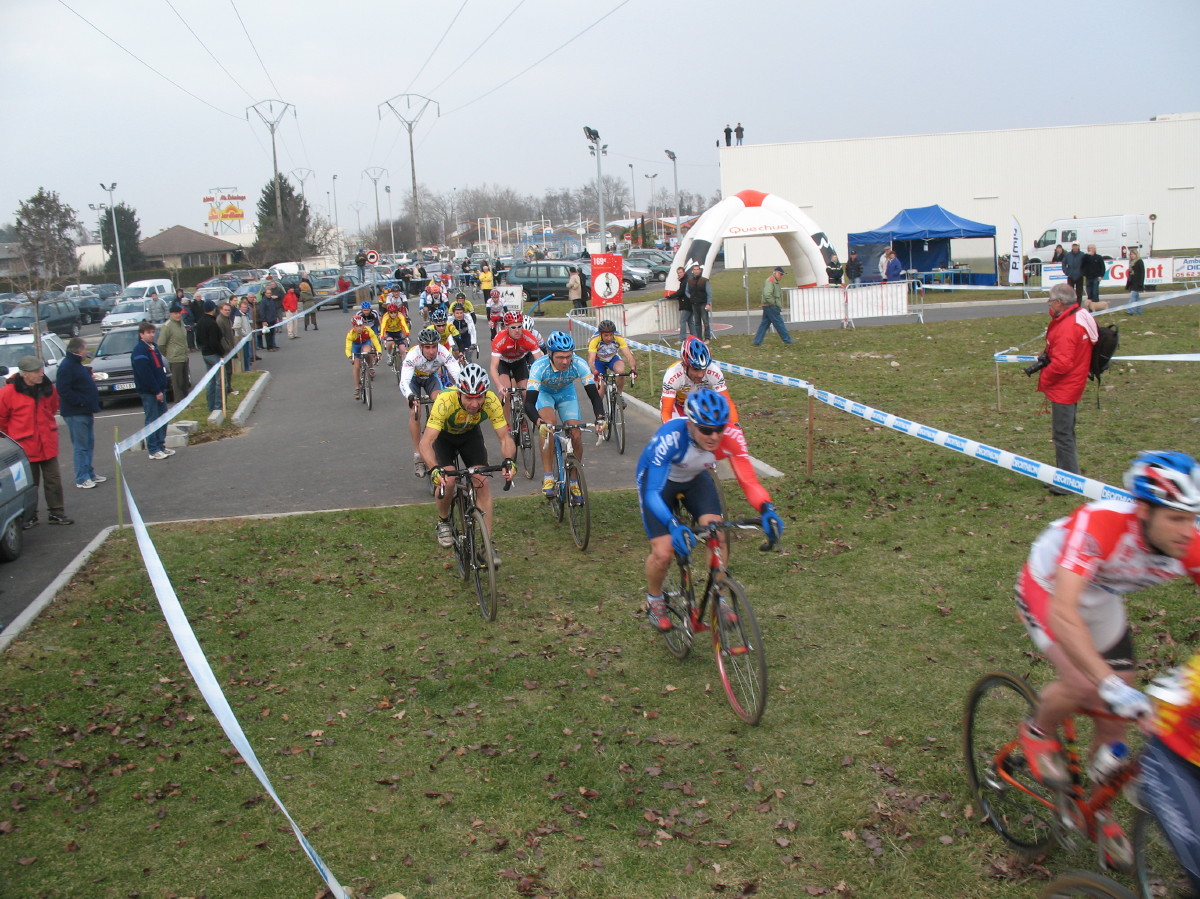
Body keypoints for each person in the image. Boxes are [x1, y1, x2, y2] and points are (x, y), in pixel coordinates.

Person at [1014, 452, 1200, 867]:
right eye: (1176, 518)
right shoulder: (1101, 524)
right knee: (1087, 684)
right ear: (1144, 510)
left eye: (1193, 518)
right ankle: (1036, 730)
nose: (1188, 531)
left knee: (1118, 712)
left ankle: (1097, 806)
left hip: (1100, 597)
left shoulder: (1191, 544)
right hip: (1048, 586)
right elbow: (1064, 611)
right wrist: (1107, 683)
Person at [636, 389, 781, 631]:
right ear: (691, 423)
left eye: (719, 429)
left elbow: (749, 482)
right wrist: (673, 526)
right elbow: (652, 493)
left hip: (695, 478)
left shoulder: (731, 436)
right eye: (705, 429)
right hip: (659, 484)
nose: (714, 436)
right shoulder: (671, 436)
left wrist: (767, 508)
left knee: (718, 533)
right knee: (663, 552)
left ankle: (719, 594)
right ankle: (655, 599)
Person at [421, 363, 516, 562]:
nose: (474, 404)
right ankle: (444, 521)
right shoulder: (445, 400)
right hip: (443, 438)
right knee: (448, 480)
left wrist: (509, 461)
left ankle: (487, 547)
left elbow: (505, 438)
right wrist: (434, 469)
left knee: (482, 481)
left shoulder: (491, 401)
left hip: (470, 435)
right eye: (469, 398)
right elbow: (426, 443)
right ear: (459, 393)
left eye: (478, 397)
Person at [524, 331, 606, 499]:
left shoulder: (579, 364)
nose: (565, 361)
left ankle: (574, 480)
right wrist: (538, 422)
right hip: (544, 394)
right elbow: (529, 403)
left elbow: (594, 396)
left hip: (566, 394)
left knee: (576, 433)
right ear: (550, 354)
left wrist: (600, 417)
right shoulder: (539, 366)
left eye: (568, 356)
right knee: (549, 424)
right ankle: (548, 476)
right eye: (560, 357)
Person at [1034, 282, 1098, 492]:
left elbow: (1063, 363)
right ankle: (1065, 473)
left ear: (1059, 303)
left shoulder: (1068, 326)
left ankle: (1069, 482)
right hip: (1073, 382)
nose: (1048, 305)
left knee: (1062, 434)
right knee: (1066, 433)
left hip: (1066, 386)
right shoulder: (1077, 315)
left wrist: (1046, 375)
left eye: (1050, 301)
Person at [0, 357, 72, 526]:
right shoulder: (7, 393)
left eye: (41, 370)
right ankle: (29, 516)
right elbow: (2, 420)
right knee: (28, 485)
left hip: (47, 443)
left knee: (53, 480)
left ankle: (57, 512)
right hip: (24, 447)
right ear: (25, 374)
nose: (41, 374)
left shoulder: (48, 388)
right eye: (37, 371)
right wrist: (12, 441)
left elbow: (53, 407)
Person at [400, 327, 463, 477]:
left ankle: (438, 439)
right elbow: (404, 381)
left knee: (440, 404)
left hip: (431, 379)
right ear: (421, 347)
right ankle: (418, 455)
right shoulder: (412, 355)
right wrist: (410, 396)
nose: (431, 351)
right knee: (416, 411)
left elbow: (457, 372)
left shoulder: (443, 352)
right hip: (414, 380)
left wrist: (461, 388)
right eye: (427, 347)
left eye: (434, 346)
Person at [56, 339, 104, 491]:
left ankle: (89, 472)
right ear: (77, 350)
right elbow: (63, 390)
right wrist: (81, 401)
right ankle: (81, 477)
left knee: (88, 443)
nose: (86, 352)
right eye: (84, 350)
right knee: (81, 446)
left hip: (85, 410)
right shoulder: (67, 366)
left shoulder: (76, 365)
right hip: (76, 412)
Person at [660, 337, 739, 427]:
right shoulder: (673, 375)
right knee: (677, 430)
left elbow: (727, 402)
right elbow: (666, 411)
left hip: (700, 406)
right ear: (685, 366)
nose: (700, 375)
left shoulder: (714, 372)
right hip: (678, 406)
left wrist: (735, 426)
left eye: (703, 369)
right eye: (696, 370)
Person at [131, 321, 173, 461]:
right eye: (148, 332)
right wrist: (156, 391)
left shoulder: (154, 348)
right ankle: (153, 448)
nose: (151, 335)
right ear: (141, 334)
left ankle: (161, 445)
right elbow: (145, 374)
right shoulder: (140, 351)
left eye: (153, 332)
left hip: (160, 388)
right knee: (152, 419)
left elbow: (159, 368)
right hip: (150, 392)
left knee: (163, 418)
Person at [489, 310, 542, 409]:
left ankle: (524, 418)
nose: (517, 330)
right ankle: (507, 423)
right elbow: (493, 367)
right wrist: (499, 387)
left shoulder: (528, 337)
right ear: (506, 328)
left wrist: (540, 381)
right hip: (503, 362)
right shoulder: (499, 339)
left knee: (527, 393)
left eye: (519, 326)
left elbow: (540, 362)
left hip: (519, 362)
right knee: (506, 392)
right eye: (513, 327)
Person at [586, 319, 638, 402]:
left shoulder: (618, 337)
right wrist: (595, 372)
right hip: (598, 361)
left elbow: (629, 355)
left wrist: (633, 369)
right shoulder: (594, 340)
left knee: (621, 372)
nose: (609, 338)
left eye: (611, 335)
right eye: (606, 335)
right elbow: (591, 360)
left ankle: (619, 395)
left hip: (613, 358)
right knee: (600, 392)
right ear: (600, 334)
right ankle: (601, 412)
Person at [159, 301, 192, 405]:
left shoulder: (181, 323)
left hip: (184, 357)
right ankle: (179, 403)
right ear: (171, 314)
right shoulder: (167, 326)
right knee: (177, 383)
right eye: (176, 313)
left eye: (179, 313)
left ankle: (187, 403)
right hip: (175, 359)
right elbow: (161, 344)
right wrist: (169, 355)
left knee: (185, 382)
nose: (178, 315)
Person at [195, 299, 224, 413]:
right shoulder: (212, 323)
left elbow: (197, 339)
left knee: (210, 380)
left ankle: (210, 406)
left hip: (205, 354)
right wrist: (221, 351)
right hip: (213, 354)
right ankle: (218, 406)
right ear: (213, 309)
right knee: (219, 381)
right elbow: (214, 342)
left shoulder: (200, 322)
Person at [344, 314, 382, 400]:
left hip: (365, 343)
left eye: (361, 326)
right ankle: (357, 387)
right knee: (356, 366)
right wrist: (350, 356)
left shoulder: (368, 330)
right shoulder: (350, 334)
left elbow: (376, 342)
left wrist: (379, 352)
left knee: (367, 352)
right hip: (356, 346)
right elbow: (348, 348)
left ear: (363, 325)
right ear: (353, 326)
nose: (359, 328)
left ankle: (370, 367)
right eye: (357, 326)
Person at [753, 266, 794, 346]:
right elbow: (767, 294)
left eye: (782, 275)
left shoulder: (773, 281)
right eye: (781, 274)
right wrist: (773, 303)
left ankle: (757, 341)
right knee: (779, 323)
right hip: (771, 306)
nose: (782, 276)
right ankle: (787, 339)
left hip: (768, 306)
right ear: (776, 273)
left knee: (764, 324)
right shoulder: (771, 281)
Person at [685, 263, 713, 341]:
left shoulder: (704, 280)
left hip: (703, 303)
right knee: (697, 322)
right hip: (694, 304)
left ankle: (707, 337)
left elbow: (709, 293)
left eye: (698, 270)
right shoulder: (689, 281)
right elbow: (686, 291)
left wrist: (708, 303)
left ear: (700, 271)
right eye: (695, 270)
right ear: (692, 271)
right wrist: (689, 296)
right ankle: (699, 338)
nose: (696, 271)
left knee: (705, 321)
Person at [216, 301, 238, 395]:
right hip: (225, 350)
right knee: (225, 371)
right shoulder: (220, 320)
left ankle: (229, 387)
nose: (227, 312)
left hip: (230, 348)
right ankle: (226, 388)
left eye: (229, 310)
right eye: (225, 310)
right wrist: (227, 347)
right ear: (221, 310)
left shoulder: (228, 319)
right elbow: (221, 337)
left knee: (229, 370)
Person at [1081, 243, 1107, 309]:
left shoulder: (1099, 257)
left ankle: (1097, 308)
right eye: (1089, 248)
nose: (1090, 249)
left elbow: (1103, 268)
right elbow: (1082, 264)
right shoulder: (1085, 257)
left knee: (1095, 293)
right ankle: (1091, 309)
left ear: (1095, 249)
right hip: (1088, 278)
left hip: (1096, 277)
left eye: (1092, 248)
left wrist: (1101, 275)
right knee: (1089, 294)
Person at [233, 297, 255, 374]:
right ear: (240, 307)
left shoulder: (245, 314)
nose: (245, 308)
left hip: (247, 338)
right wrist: (245, 334)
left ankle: (247, 367)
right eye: (243, 307)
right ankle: (246, 369)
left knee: (248, 354)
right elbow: (237, 326)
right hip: (243, 339)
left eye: (246, 307)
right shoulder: (238, 315)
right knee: (245, 355)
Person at [259, 284, 281, 351]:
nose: (269, 294)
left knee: (272, 334)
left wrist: (276, 317)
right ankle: (269, 347)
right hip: (267, 320)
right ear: (265, 294)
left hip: (273, 319)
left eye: (270, 293)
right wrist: (264, 320)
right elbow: (262, 311)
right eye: (267, 293)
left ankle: (273, 345)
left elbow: (274, 309)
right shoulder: (263, 301)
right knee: (268, 335)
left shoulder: (271, 300)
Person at [1125, 248, 1145, 314]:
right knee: (1137, 298)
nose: (1132, 255)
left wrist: (1141, 282)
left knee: (1133, 296)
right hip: (1132, 282)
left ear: (1136, 255)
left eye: (1133, 254)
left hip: (1137, 282)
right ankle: (1139, 311)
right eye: (1131, 254)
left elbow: (1142, 273)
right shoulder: (1131, 262)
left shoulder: (1139, 261)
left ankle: (1130, 310)